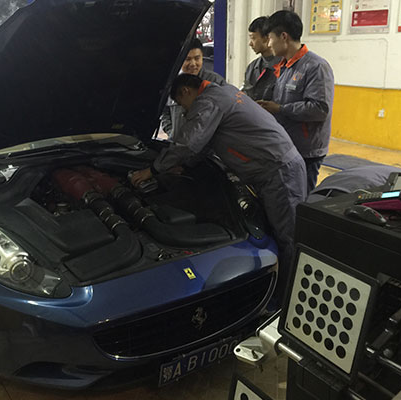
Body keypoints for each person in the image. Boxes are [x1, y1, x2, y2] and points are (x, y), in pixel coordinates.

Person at [132, 74, 307, 299]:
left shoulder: (209, 101)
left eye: (181, 103)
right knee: (276, 232)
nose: (184, 110)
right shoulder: (223, 92)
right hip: (271, 171)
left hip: (280, 173)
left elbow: (188, 144)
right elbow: (205, 143)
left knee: (288, 238)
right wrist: (184, 166)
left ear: (185, 91)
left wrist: (152, 170)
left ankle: (286, 299)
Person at [257, 10, 334, 194]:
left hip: (306, 151)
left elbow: (319, 109)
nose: (269, 44)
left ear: (284, 37)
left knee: (301, 199)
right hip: (288, 146)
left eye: (270, 38)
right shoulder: (285, 66)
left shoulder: (316, 67)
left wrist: (280, 109)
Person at [161, 39, 227, 142]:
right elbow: (165, 112)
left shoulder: (215, 82)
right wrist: (171, 131)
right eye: (187, 59)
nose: (193, 64)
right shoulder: (172, 82)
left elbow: (224, 116)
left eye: (197, 58)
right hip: (176, 145)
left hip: (204, 147)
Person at [241, 16, 282, 101]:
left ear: (266, 38)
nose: (250, 43)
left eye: (253, 38)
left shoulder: (284, 67)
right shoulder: (252, 68)